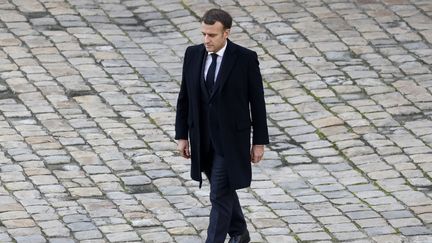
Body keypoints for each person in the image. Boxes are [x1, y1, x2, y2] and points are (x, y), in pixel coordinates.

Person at [175, 8, 269, 243]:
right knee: (223, 191)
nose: (206, 40)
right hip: (202, 140)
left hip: (231, 142)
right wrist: (182, 135)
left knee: (218, 194)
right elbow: (184, 97)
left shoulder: (245, 59)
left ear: (226, 33)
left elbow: (257, 103)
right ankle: (239, 232)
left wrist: (259, 142)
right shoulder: (193, 54)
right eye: (204, 34)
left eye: (212, 35)